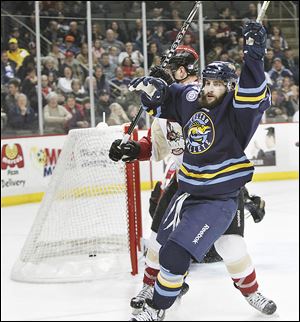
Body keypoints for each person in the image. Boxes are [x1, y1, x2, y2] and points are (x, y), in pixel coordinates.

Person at [125, 22, 276, 320]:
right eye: (207, 82)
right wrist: (153, 91)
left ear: (229, 87)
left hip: (219, 196)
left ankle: (159, 307)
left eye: (217, 84)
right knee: (162, 247)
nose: (209, 88)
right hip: (185, 190)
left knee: (227, 248)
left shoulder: (238, 111)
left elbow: (252, 92)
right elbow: (166, 100)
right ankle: (154, 290)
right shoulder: (192, 96)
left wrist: (255, 56)